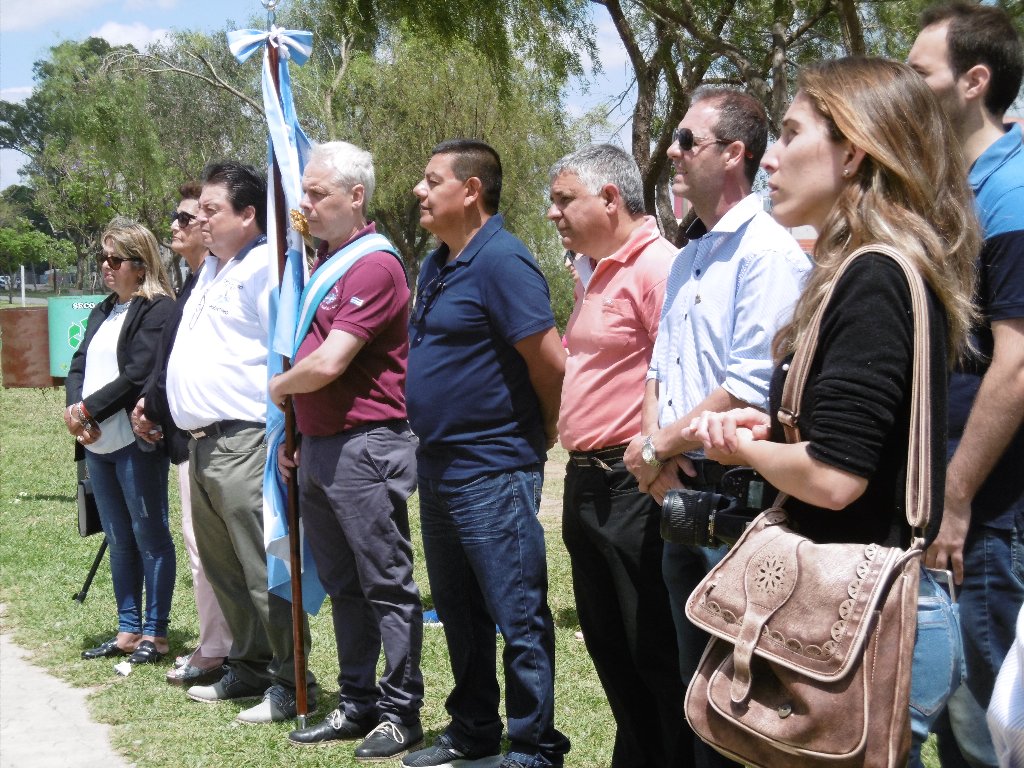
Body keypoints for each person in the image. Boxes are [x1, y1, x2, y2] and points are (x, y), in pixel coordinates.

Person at [681, 56, 980, 766]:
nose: (771, 159)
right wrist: (772, 430)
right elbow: (848, 446)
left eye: (789, 135)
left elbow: (835, 479)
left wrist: (744, 450)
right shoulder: (866, 270)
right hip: (851, 607)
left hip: (863, 613)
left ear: (853, 152)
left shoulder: (873, 278)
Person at [621, 86, 809, 767]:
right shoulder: (691, 253)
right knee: (694, 684)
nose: (670, 152)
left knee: (738, 694)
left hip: (735, 495)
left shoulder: (769, 254)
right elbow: (660, 370)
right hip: (678, 486)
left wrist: (652, 447)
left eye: (685, 141)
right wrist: (654, 454)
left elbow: (747, 385)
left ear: (734, 154)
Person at [402, 139, 570, 768]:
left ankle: (533, 746)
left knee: (517, 611)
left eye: (431, 179)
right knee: (459, 612)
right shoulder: (436, 263)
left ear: (470, 190)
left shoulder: (504, 262)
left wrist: (542, 434)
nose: (420, 190)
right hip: (440, 468)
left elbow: (550, 364)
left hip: (493, 469)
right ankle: (473, 729)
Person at [267, 141, 425, 760]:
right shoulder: (325, 263)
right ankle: (358, 702)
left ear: (355, 197)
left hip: (366, 447)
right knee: (343, 584)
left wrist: (279, 388)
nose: (304, 205)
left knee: (385, 583)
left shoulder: (371, 266)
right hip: (323, 448)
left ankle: (399, 709)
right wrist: (297, 430)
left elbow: (331, 362)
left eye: (316, 194)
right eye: (303, 193)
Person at [909, 6, 1024, 766]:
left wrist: (954, 499)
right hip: (939, 507)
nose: (906, 87)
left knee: (988, 729)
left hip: (984, 518)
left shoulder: (1012, 192)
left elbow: (1016, 365)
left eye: (920, 74)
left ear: (973, 80)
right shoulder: (949, 188)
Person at [547, 143, 684, 768]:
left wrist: (656, 453)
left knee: (650, 643)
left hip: (634, 485)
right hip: (586, 482)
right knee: (606, 641)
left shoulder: (658, 268)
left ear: (610, 198)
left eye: (563, 199)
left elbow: (679, 372)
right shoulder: (594, 268)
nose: (553, 214)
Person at [164, 161, 315, 723]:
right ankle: (248, 667)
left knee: (261, 566)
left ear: (249, 215)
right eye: (197, 211)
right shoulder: (211, 271)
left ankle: (291, 677)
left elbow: (284, 353)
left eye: (211, 210)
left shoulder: (263, 270)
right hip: (201, 444)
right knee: (223, 566)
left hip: (244, 439)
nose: (199, 220)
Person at [132, 183, 233, 687]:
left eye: (187, 216)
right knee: (201, 549)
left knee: (221, 552)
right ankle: (218, 645)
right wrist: (151, 404)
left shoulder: (220, 282)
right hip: (188, 438)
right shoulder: (194, 285)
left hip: (227, 440)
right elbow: (169, 363)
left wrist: (150, 402)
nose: (177, 224)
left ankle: (225, 650)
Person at [65, 217, 177, 665]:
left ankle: (156, 632)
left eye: (116, 259)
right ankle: (128, 629)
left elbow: (137, 374)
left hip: (135, 442)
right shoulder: (103, 309)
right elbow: (78, 364)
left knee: (150, 534)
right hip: (97, 444)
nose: (106, 267)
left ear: (140, 262)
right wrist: (75, 411)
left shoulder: (157, 309)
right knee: (117, 535)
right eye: (102, 258)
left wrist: (88, 411)